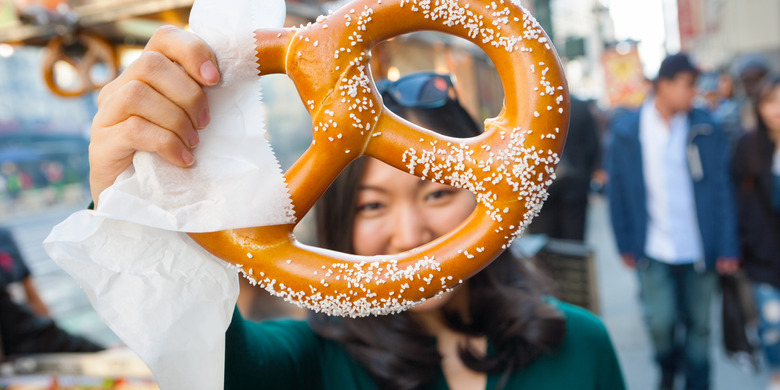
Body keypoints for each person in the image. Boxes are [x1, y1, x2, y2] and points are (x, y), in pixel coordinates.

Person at [88, 26, 626, 389]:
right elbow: (202, 354)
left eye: (438, 192)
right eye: (372, 206)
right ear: (342, 225)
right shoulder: (311, 361)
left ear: (489, 194)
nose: (410, 231)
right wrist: (132, 195)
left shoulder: (580, 345)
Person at [606, 53, 739, 390]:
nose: (692, 93)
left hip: (699, 246)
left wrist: (727, 245)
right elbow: (617, 192)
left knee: (700, 325)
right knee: (660, 322)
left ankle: (698, 382)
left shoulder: (706, 127)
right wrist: (624, 243)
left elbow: (722, 188)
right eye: (687, 85)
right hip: (652, 245)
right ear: (663, 85)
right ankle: (667, 367)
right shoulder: (626, 131)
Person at [731, 75, 780, 390]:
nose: (777, 110)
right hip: (765, 257)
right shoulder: (748, 146)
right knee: (772, 325)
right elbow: (741, 204)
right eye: (770, 102)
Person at [0, 227, 103, 357]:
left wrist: (50, 326)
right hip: (14, 343)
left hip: (30, 330)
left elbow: (31, 291)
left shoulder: (4, 236)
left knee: (97, 352)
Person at [526, 95, 601, 241]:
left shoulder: (529, 106)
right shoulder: (580, 106)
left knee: (543, 242)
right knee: (573, 240)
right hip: (575, 184)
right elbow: (592, 145)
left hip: (540, 187)